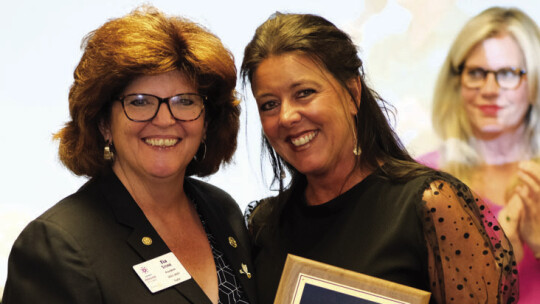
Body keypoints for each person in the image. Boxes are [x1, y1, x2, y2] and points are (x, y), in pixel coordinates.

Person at [241, 12, 518, 304]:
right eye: (269, 104)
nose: (286, 116)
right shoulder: (264, 226)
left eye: (304, 93)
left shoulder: (430, 205)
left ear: (352, 93)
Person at [2, 6, 255, 304]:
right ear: (104, 123)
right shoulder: (58, 245)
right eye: (139, 102)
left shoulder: (221, 211)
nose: (164, 119)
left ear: (207, 120)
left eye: (185, 101)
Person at [417, 7, 540, 303]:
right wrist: (492, 264)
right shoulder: (425, 179)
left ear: (534, 82)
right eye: (476, 73)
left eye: (508, 73)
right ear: (456, 82)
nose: (490, 89)